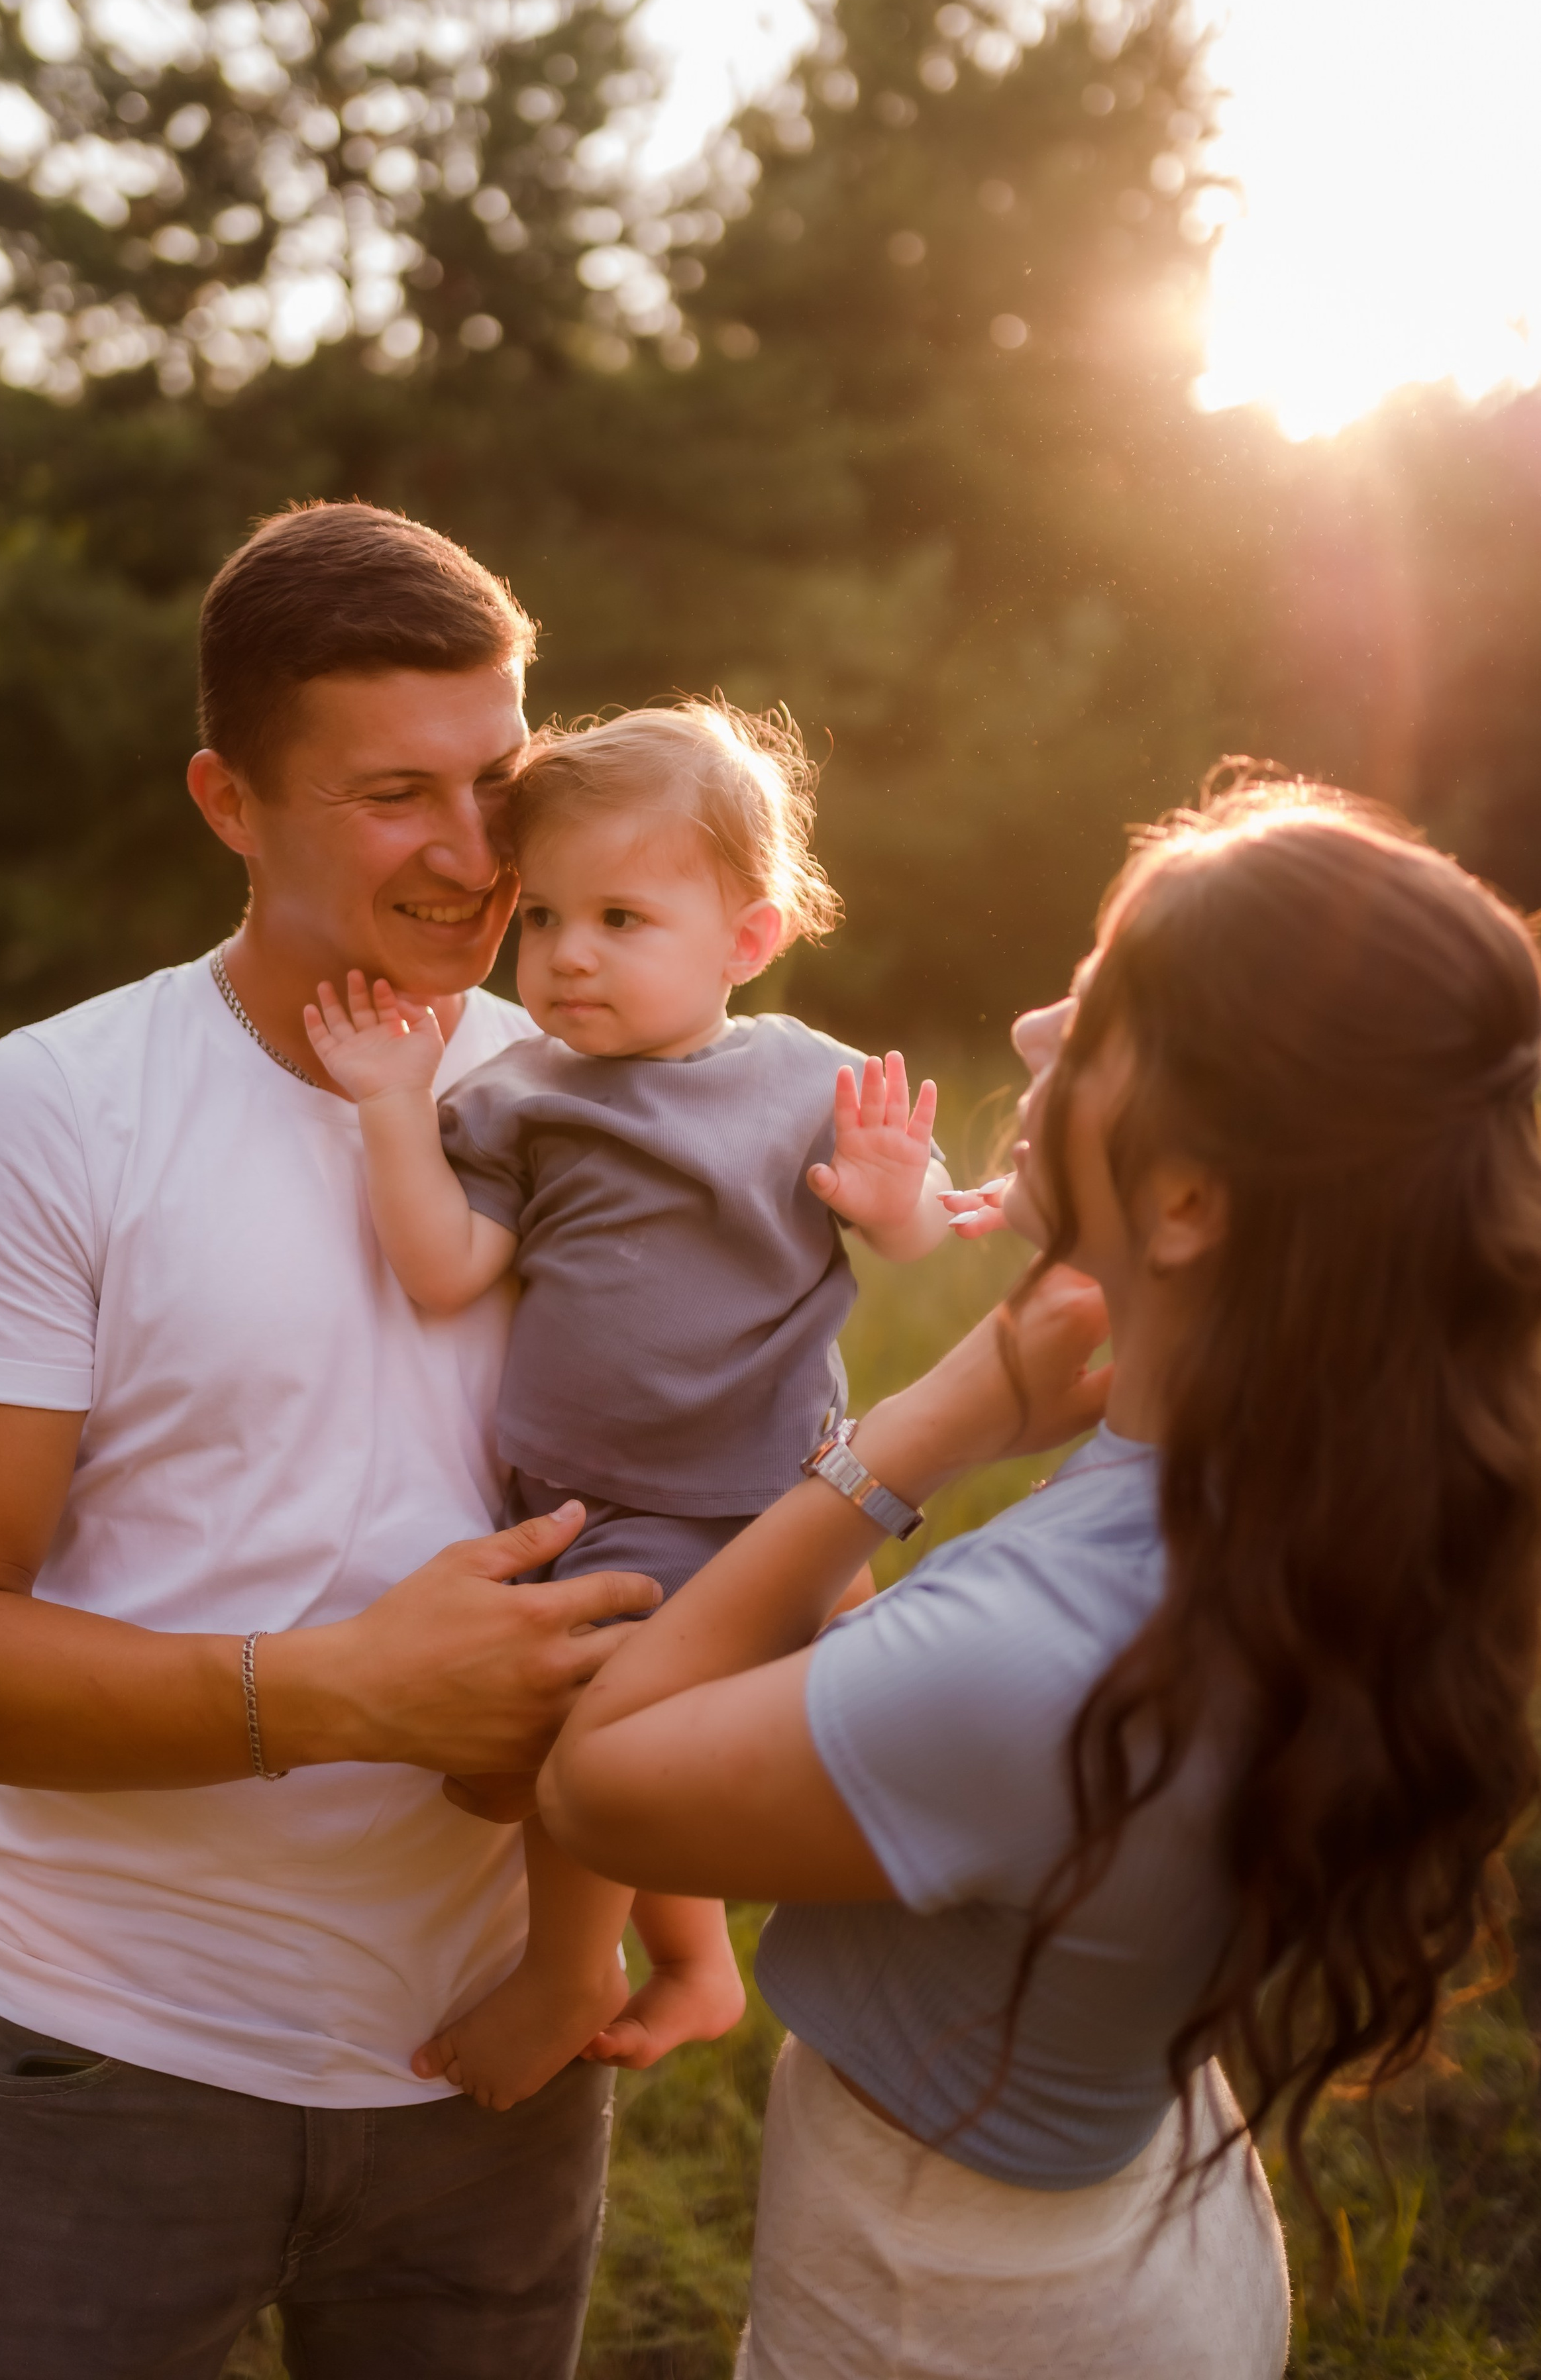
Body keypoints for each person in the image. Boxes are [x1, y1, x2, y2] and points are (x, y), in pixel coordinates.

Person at [540, 778, 1541, 2380]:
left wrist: (923, 1433)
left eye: (1093, 1017)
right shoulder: (1316, 1484)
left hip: (943, 2305)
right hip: (1137, 2232)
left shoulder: (1051, 1656)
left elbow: (596, 1784)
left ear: (1192, 1201)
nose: (1023, 1032)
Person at [0, 503, 668, 2380]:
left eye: (501, 777)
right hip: (109, 2066)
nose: (475, 856)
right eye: (395, 795)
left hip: (496, 2076)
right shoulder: (52, 1115)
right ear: (229, 802)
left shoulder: (607, 1094)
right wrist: (352, 1693)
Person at [303, 703, 948, 2110]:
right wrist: (394, 1108)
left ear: (745, 941)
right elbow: (443, 1268)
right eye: (541, 919)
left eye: (620, 918)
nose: (568, 954)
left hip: (777, 1497)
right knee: (608, 1742)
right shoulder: (520, 1097)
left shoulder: (799, 1080)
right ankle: (681, 1963)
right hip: (600, 1508)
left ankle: (564, 1973)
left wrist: (894, 1198)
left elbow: (914, 1238)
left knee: (629, 1749)